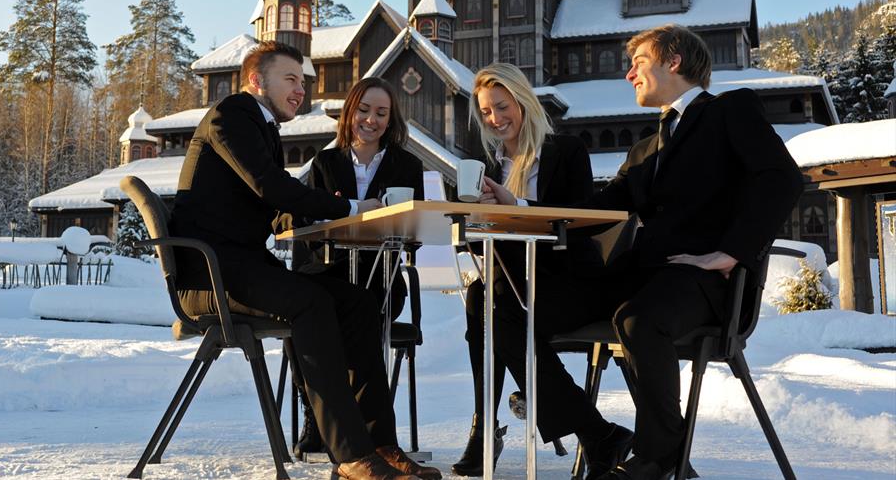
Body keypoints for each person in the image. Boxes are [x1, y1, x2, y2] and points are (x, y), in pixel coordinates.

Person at [483, 25, 803, 480]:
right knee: (508, 310)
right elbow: (594, 211)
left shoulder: (730, 111)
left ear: (673, 62)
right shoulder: (646, 149)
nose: (629, 72)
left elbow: (781, 178)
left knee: (637, 319)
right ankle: (596, 432)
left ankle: (656, 457)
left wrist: (732, 253)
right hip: (639, 277)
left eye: (639, 61)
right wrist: (516, 206)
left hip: (703, 280)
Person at [168, 41, 440, 480]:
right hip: (213, 274)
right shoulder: (231, 115)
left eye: (303, 81)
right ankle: (350, 454)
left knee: (357, 300)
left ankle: (380, 443)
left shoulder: (263, 129)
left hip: (245, 265)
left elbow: (273, 205)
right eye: (290, 79)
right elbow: (269, 186)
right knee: (310, 302)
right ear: (257, 81)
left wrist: (311, 209)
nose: (300, 90)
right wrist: (353, 209)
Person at [450, 63, 607, 476]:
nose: (494, 119)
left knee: (493, 310)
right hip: (513, 286)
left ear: (522, 101)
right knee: (481, 298)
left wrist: (516, 206)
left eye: (501, 107)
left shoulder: (566, 151)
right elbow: (476, 245)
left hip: (571, 283)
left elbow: (578, 220)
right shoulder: (486, 166)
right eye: (485, 111)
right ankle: (595, 432)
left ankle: (488, 430)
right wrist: (472, 217)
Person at [289, 76, 426, 458]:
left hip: (381, 276)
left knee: (363, 308)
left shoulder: (407, 166)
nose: (371, 120)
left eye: (381, 113)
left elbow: (414, 232)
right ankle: (317, 413)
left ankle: (365, 434)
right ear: (350, 112)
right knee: (299, 307)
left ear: (391, 119)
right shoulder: (325, 162)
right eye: (364, 110)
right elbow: (308, 226)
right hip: (331, 272)